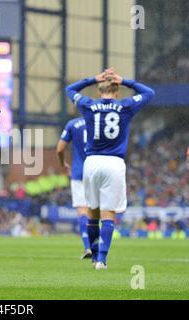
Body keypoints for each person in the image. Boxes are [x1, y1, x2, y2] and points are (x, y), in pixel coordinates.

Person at [66, 68, 155, 270]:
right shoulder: (125, 106)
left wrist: (93, 78)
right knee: (109, 214)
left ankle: (94, 252)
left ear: (99, 91)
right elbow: (149, 93)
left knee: (92, 212)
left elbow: (70, 89)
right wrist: (125, 80)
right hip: (114, 163)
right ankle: (101, 260)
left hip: (92, 162)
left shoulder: (88, 105)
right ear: (117, 91)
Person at [56, 117, 92, 259]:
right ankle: (98, 247)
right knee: (95, 211)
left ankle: (87, 246)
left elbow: (60, 149)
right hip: (97, 169)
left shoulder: (72, 124)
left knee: (82, 210)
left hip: (78, 172)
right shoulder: (98, 120)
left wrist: (63, 164)